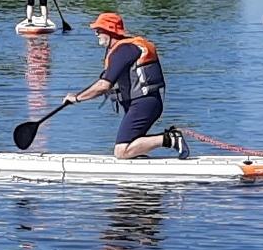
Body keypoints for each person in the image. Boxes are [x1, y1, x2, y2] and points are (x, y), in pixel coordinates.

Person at [63, 12, 189, 159]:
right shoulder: (123, 49)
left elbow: (104, 85)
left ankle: (171, 139)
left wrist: (77, 98)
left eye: (99, 29)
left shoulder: (123, 50)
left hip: (143, 104)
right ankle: (139, 162)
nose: (96, 33)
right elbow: (104, 82)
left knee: (121, 151)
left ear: (110, 31)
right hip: (143, 104)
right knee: (130, 147)